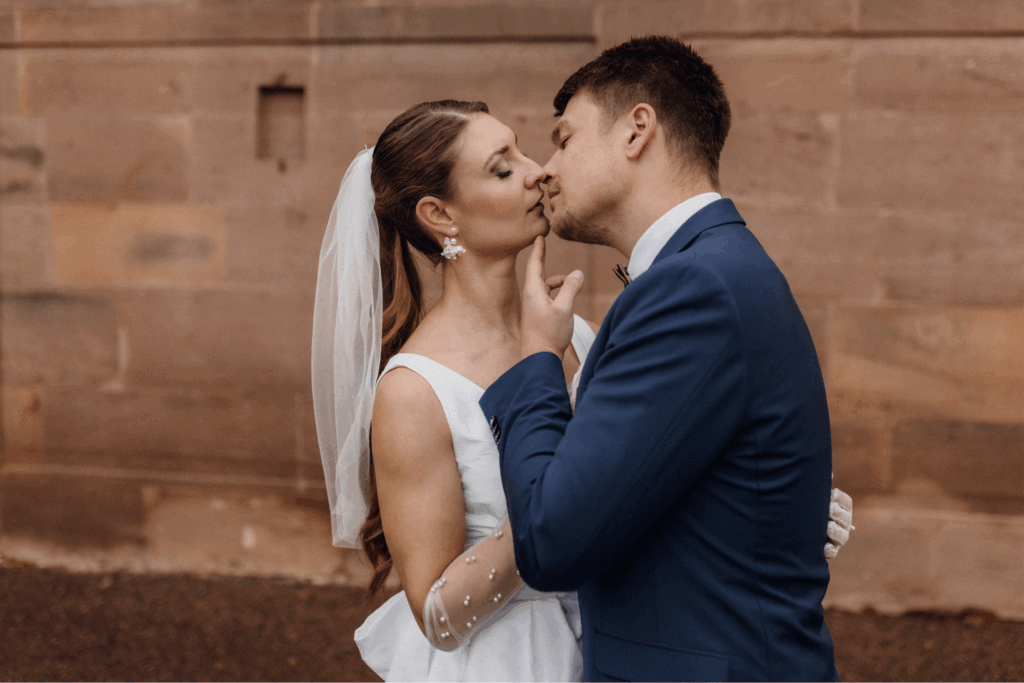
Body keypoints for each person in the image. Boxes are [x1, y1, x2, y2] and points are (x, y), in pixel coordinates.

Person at [311, 99, 853, 680]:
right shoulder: (415, 390)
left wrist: (761, 503)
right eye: (502, 168)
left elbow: (645, 483)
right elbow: (437, 615)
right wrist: (560, 514)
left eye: (525, 149)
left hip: (622, 646)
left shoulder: (579, 334)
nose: (537, 171)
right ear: (441, 215)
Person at [480, 36, 844, 681]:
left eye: (564, 139)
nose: (545, 170)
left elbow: (552, 542)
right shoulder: (713, 267)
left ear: (636, 130)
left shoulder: (692, 288)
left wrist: (536, 356)